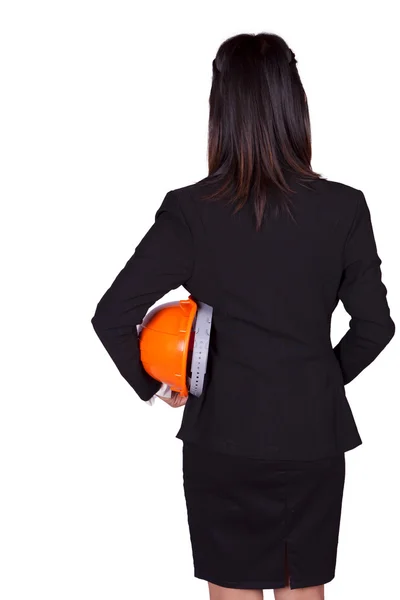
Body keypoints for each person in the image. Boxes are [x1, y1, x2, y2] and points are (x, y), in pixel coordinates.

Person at [90, 32, 395, 600]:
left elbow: (113, 314)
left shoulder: (191, 210)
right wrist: (318, 381)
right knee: (304, 588)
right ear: (294, 104)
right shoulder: (345, 207)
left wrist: (157, 384)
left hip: (222, 439)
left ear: (221, 109)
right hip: (313, 436)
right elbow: (376, 326)